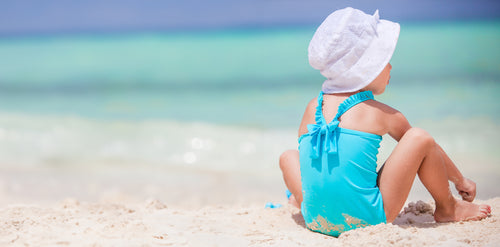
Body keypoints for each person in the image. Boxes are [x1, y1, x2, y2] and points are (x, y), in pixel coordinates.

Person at [279, 7, 491, 237]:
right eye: (384, 60)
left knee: (289, 156)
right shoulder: (380, 113)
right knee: (419, 138)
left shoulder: (312, 106)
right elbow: (429, 148)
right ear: (366, 69)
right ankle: (448, 207)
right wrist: (461, 180)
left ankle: (302, 201)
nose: (390, 67)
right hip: (366, 219)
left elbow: (313, 164)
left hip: (315, 218)